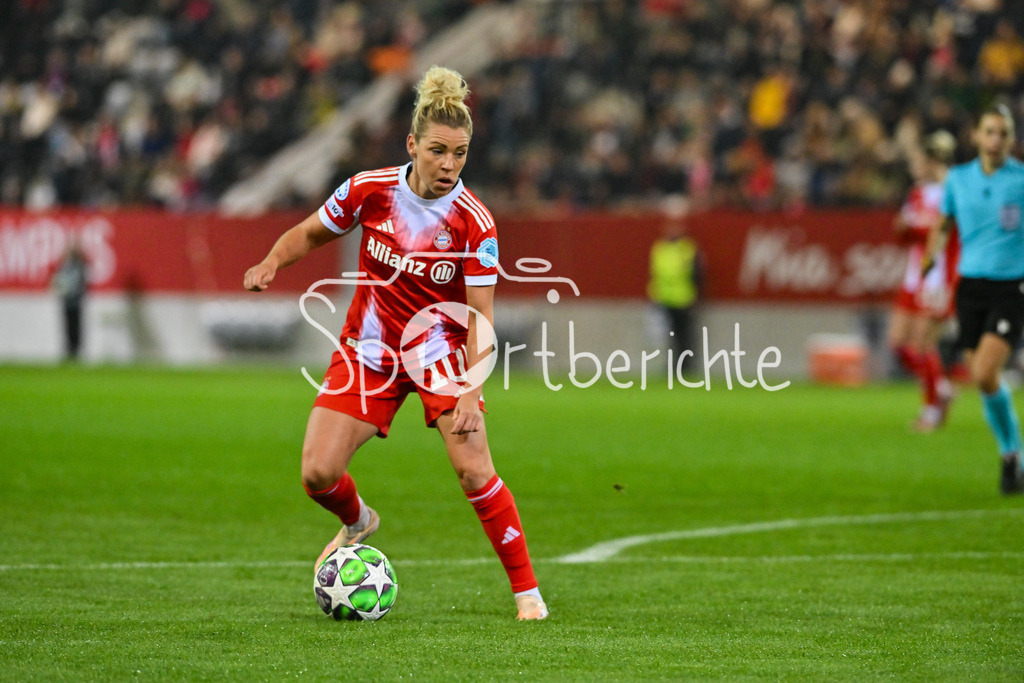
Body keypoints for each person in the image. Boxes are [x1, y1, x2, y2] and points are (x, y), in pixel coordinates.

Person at [243, 66, 548, 619]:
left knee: (474, 470)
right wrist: (271, 260)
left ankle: (528, 595)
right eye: (437, 151)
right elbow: (311, 232)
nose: (448, 165)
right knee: (317, 473)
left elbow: (481, 315)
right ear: (412, 144)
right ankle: (358, 520)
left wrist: (467, 392)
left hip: (443, 357)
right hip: (370, 351)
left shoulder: (475, 223)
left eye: (459, 154)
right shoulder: (369, 191)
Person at [923, 104, 1024, 494]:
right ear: (977, 137)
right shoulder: (958, 180)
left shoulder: (1019, 180)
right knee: (986, 381)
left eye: (1003, 133)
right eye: (990, 132)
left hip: (1011, 287)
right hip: (970, 288)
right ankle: (1010, 455)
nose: (996, 140)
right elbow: (943, 223)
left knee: (983, 373)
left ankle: (1012, 455)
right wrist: (930, 264)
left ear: (1011, 139)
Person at [887, 131, 958, 433]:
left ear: (933, 160)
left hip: (938, 275)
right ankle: (940, 386)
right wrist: (904, 227)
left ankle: (931, 408)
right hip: (914, 275)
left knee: (923, 344)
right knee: (898, 343)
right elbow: (905, 231)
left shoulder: (952, 191)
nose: (915, 166)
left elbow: (945, 234)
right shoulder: (916, 194)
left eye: (920, 160)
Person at [647, 196, 704, 371]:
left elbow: (698, 274)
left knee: (685, 337)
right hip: (664, 298)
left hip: (683, 298)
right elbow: (654, 274)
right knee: (668, 337)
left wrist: (696, 294)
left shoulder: (687, 248)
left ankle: (685, 367)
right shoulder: (659, 248)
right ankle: (671, 367)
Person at [52, 241, 89, 360]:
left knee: (76, 327)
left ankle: (76, 351)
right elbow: (59, 280)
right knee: (68, 327)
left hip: (76, 301)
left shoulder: (80, 266)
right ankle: (69, 350)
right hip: (67, 301)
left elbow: (82, 283)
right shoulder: (64, 265)